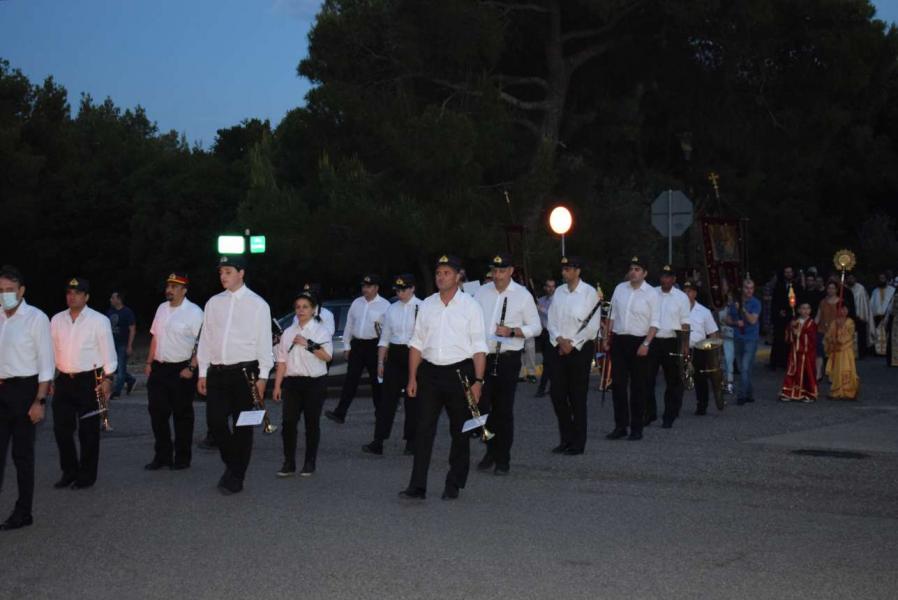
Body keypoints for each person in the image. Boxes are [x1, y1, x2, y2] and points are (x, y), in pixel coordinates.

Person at [399, 255, 487, 501]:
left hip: (460, 373)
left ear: (458, 276)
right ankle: (417, 486)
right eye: (438, 273)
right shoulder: (427, 304)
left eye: (447, 273)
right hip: (430, 373)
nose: (441, 277)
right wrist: (412, 378)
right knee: (423, 429)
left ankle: (454, 483)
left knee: (459, 431)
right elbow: (417, 343)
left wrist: (478, 382)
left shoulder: (471, 306)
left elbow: (479, 347)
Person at [196, 256, 273, 495]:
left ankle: (236, 477)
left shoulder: (258, 304)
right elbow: (206, 338)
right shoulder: (213, 303)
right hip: (217, 372)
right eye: (221, 272)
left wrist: (263, 377)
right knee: (215, 422)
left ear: (241, 273)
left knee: (243, 427)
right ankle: (234, 465)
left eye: (228, 272)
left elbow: (264, 343)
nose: (223, 276)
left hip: (245, 374)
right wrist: (202, 372)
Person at [474, 254, 541, 473]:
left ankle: (502, 458)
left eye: (502, 271)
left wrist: (513, 331)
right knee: (481, 407)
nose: (497, 275)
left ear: (511, 271)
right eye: (494, 271)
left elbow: (536, 327)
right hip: (483, 356)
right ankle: (491, 448)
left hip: (507, 358)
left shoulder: (522, 295)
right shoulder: (482, 292)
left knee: (503, 410)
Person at [49, 277, 117, 490]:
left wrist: (108, 379)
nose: (72, 297)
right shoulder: (57, 320)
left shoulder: (98, 320)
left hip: (90, 380)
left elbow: (109, 352)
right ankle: (69, 471)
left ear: (86, 297)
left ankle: (86, 476)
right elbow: (51, 351)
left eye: (78, 293)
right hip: (64, 380)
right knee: (61, 430)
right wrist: (49, 378)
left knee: (88, 431)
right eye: (69, 293)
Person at [0, 266, 53, 530]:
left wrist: (39, 401)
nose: (5, 295)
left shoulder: (36, 318)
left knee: (22, 456)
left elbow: (46, 363)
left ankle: (23, 513)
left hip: (24, 391)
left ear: (21, 291)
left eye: (9, 290)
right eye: (0, 290)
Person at [143, 272, 203, 471]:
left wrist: (191, 367)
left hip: (181, 369)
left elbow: (202, 343)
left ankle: (182, 458)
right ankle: (162, 456)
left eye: (174, 287)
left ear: (184, 290)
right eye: (168, 286)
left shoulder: (194, 312)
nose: (169, 290)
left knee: (182, 414)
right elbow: (155, 337)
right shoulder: (162, 308)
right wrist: (149, 362)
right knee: (157, 413)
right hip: (159, 368)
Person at [272, 290, 332, 477]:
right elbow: (282, 361)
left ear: (313, 310)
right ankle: (289, 462)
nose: (301, 310)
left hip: (314, 382)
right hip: (292, 382)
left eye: (305, 307)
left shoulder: (320, 330)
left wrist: (308, 344)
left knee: (311, 423)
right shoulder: (288, 332)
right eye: (298, 307)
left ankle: (309, 462)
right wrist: (277, 385)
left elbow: (327, 356)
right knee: (288, 423)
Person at [362, 274, 422, 456]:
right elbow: (385, 338)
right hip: (395, 355)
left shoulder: (422, 307)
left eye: (403, 289)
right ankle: (378, 440)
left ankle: (412, 441)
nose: (400, 293)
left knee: (413, 401)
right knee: (387, 400)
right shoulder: (392, 309)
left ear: (412, 288)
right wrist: (381, 362)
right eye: (397, 290)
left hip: (414, 354)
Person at [605, 256, 659, 441]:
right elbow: (611, 315)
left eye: (637, 269)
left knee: (638, 387)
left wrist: (646, 344)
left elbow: (655, 322)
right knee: (618, 385)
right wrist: (606, 337)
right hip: (620, 340)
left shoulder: (651, 294)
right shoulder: (620, 288)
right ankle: (620, 426)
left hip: (639, 342)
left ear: (645, 273)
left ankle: (637, 427)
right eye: (631, 268)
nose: (633, 272)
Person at [325, 274, 389, 424]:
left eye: (368, 286)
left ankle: (381, 415)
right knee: (350, 380)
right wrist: (347, 345)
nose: (365, 289)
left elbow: (388, 331)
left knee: (377, 382)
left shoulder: (385, 305)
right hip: (358, 345)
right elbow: (349, 325)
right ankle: (340, 413)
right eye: (364, 286)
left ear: (376, 288)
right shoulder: (356, 303)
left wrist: (385, 350)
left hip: (374, 345)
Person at [647, 265, 691, 428]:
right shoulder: (652, 293)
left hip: (672, 340)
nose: (664, 279)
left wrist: (685, 345)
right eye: (663, 276)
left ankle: (669, 415)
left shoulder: (681, 297)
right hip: (653, 339)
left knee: (672, 380)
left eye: (668, 277)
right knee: (647, 379)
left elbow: (685, 323)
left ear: (674, 279)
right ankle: (649, 413)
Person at [683, 281, 720, 415]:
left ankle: (702, 404)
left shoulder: (704, 312)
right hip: (681, 347)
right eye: (684, 291)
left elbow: (713, 332)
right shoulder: (677, 310)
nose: (686, 294)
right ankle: (674, 406)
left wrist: (713, 353)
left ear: (695, 293)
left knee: (700, 377)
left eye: (689, 291)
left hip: (698, 348)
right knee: (678, 377)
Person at [726, 279, 761, 406]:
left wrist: (743, 309)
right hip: (738, 338)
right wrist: (736, 323)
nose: (749, 291)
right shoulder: (734, 302)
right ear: (742, 289)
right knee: (743, 368)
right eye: (747, 288)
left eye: (751, 288)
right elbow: (727, 319)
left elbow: (752, 321)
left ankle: (741, 396)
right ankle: (749, 393)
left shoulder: (756, 303)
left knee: (745, 367)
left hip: (751, 339)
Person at [779, 302, 818, 403]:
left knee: (806, 373)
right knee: (792, 371)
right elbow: (788, 338)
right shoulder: (795, 321)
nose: (805, 311)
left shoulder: (811, 323)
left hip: (806, 354)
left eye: (807, 308)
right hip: (795, 353)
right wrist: (791, 329)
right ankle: (789, 392)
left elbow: (812, 338)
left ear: (810, 310)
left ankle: (808, 394)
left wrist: (799, 334)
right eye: (803, 308)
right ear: (799, 310)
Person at [825, 304, 859, 400]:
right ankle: (836, 391)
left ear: (848, 310)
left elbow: (849, 335)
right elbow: (828, 336)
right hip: (836, 351)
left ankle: (848, 391)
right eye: (840, 309)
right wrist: (832, 339)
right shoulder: (834, 322)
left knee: (846, 369)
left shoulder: (850, 322)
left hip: (846, 351)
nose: (843, 311)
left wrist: (840, 327)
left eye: (845, 309)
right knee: (837, 370)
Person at [107, 291, 136, 398]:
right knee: (115, 368)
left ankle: (117, 392)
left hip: (122, 344)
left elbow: (132, 329)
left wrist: (130, 345)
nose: (110, 300)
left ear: (119, 299)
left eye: (113, 298)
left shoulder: (127, 312)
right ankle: (130, 380)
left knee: (121, 368)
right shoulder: (110, 312)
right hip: (111, 344)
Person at [769, 267, 797, 369]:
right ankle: (775, 362)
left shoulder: (796, 286)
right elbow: (775, 301)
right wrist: (778, 311)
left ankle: (788, 362)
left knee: (790, 340)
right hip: (780, 318)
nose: (788, 274)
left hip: (792, 317)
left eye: (790, 272)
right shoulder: (779, 286)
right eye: (786, 272)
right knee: (778, 339)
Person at [815, 281, 841, 380]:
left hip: (835, 331)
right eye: (829, 288)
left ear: (836, 290)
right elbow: (818, 316)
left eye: (833, 288)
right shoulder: (823, 302)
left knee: (833, 353)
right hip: (822, 330)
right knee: (819, 353)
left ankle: (831, 373)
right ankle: (818, 373)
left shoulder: (840, 302)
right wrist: (811, 326)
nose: (831, 290)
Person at [535, 278, 556, 398]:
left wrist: (540, 308)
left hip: (552, 334)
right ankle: (554, 387)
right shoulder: (541, 300)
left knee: (547, 362)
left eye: (553, 286)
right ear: (545, 287)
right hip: (543, 333)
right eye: (548, 286)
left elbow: (552, 314)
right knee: (548, 361)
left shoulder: (557, 300)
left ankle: (541, 388)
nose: (550, 289)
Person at [846, 274, 873, 358]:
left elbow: (864, 302)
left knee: (861, 335)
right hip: (848, 315)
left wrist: (863, 315)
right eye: (849, 278)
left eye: (852, 278)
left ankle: (862, 353)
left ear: (855, 279)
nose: (850, 280)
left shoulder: (860, 288)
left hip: (859, 316)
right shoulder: (845, 288)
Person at [717, 278, 736, 395]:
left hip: (729, 334)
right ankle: (721, 382)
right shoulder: (716, 301)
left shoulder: (734, 301)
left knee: (729, 359)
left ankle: (729, 383)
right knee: (720, 360)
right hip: (718, 333)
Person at [869, 273, 894, 356]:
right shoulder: (875, 291)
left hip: (888, 316)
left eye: (883, 278)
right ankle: (878, 352)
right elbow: (871, 304)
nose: (881, 280)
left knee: (888, 334)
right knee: (877, 334)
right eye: (880, 278)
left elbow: (893, 303)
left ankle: (888, 351)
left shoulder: (892, 290)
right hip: (877, 317)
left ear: (886, 279)